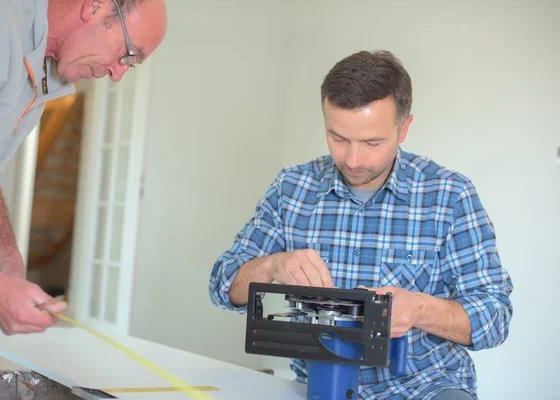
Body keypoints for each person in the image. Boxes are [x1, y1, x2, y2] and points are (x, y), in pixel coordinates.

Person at [209, 50, 513, 399]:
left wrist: (420, 309)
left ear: (404, 128)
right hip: (319, 386)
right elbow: (222, 285)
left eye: (372, 142)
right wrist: (272, 264)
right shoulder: (292, 188)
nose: (353, 160)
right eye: (338, 138)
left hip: (425, 388)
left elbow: (495, 316)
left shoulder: (450, 195)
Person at [0, 0, 167, 335]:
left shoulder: (41, 75)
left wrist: (9, 270)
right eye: (128, 55)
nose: (117, 74)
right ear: (97, 6)